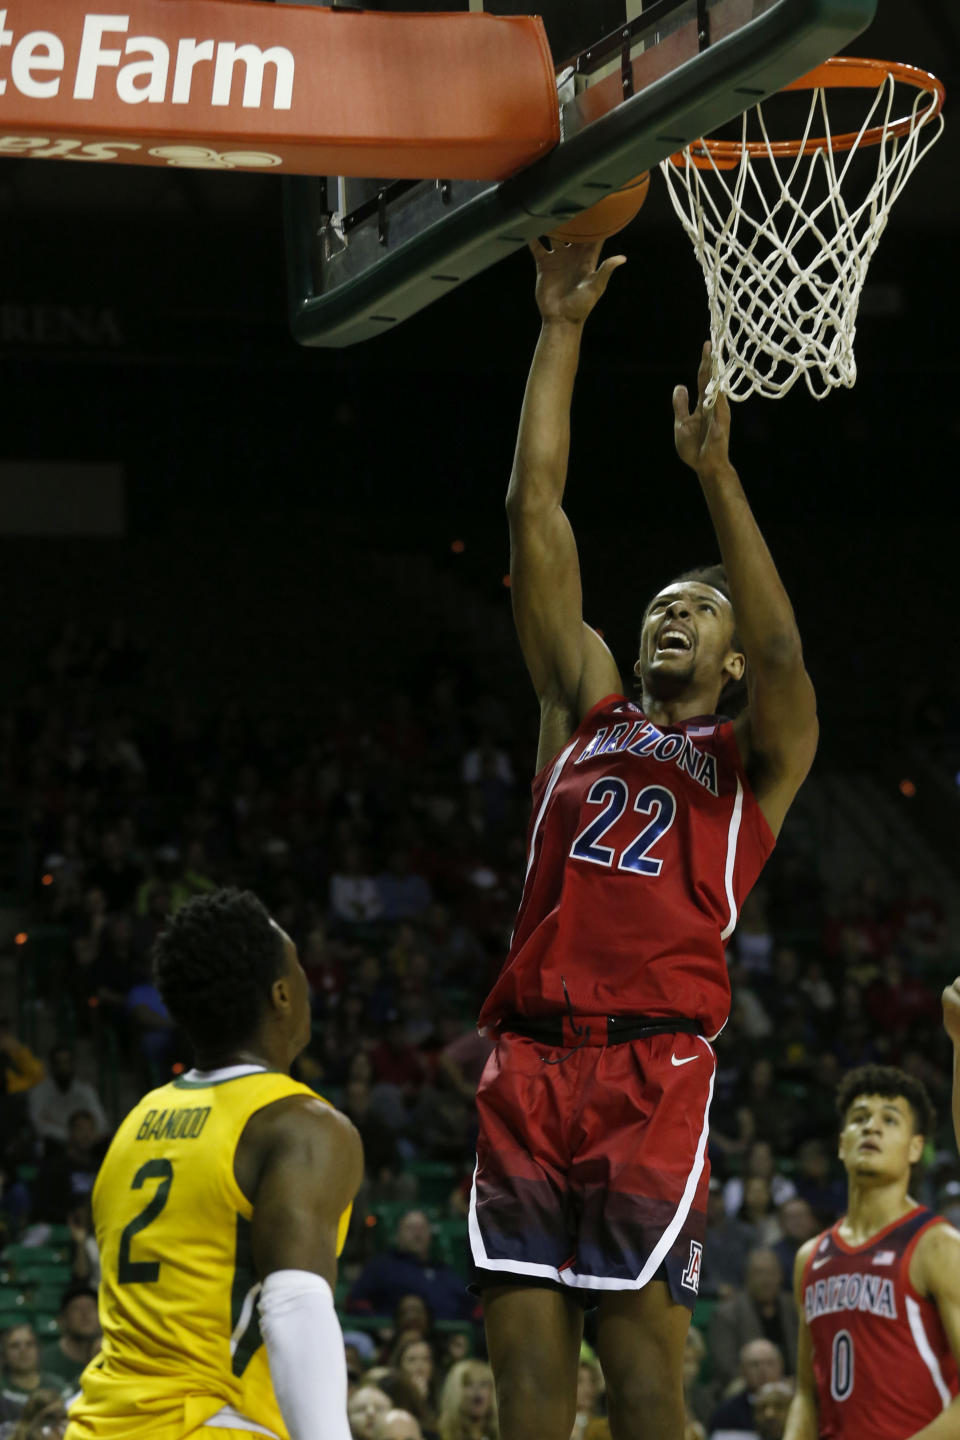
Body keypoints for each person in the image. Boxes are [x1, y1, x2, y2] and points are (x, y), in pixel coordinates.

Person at [472, 237, 818, 1440]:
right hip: (527, 1065)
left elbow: (784, 657)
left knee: (645, 1393)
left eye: (700, 609)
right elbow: (533, 514)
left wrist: (716, 474)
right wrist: (560, 327)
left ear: (725, 662)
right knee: (525, 1401)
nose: (672, 610)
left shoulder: (752, 763)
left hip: (653, 1076)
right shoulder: (583, 711)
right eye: (664, 600)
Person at [64, 888, 363, 1440]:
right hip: (215, 1422)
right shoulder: (301, 1124)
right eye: (298, 970)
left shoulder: (134, 1124)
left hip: (96, 1425)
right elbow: (294, 1302)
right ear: (281, 995)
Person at [784, 1064, 960, 1439]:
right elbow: (806, 1393)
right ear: (841, 1143)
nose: (871, 1127)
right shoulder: (809, 1258)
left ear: (916, 1147)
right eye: (859, 1118)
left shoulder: (937, 1245)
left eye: (890, 1119)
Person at [348, 1210, 474, 1322]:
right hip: (400, 1339)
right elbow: (356, 1302)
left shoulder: (445, 1271)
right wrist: (380, 1328)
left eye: (422, 1228)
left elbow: (471, 1307)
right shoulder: (382, 1267)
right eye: (410, 1228)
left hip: (450, 1341)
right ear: (397, 1235)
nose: (417, 1234)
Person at [708, 1249, 797, 1387]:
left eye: (771, 1273)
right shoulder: (727, 1314)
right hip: (747, 1388)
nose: (766, 1280)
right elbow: (726, 1369)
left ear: (781, 1276)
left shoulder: (793, 1308)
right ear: (747, 1277)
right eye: (759, 1273)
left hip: (792, 1386)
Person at [26, 1048, 108, 1149]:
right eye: (58, 1063)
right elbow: (39, 1125)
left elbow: (101, 1122)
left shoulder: (86, 1091)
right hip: (55, 1146)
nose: (63, 1068)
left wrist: (84, 1135)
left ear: (74, 1065)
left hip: (86, 1143)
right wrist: (71, 1136)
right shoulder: (39, 1092)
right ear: (51, 1066)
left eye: (67, 1062)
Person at [707, 1339, 784, 1439]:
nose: (763, 1370)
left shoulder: (797, 1405)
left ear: (781, 1366)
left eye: (769, 1363)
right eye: (754, 1364)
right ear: (742, 1370)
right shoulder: (726, 1414)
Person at [39, 1286, 101, 1393]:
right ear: (63, 1319)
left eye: (91, 1307)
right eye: (76, 1308)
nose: (85, 1314)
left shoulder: (111, 1354)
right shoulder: (46, 1359)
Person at [0, 1328, 68, 1417]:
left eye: (29, 1344)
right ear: (4, 1353)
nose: (23, 1350)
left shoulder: (58, 1386)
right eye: (14, 1346)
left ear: (39, 1350)